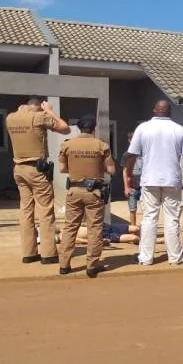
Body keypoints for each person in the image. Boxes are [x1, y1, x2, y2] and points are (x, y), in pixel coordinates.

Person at [124, 100, 183, 266]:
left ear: (154, 110)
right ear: (170, 112)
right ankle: (175, 257)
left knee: (149, 218)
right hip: (172, 180)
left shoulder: (143, 128)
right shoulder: (179, 129)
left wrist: (128, 174)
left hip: (150, 180)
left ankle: (145, 258)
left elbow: (131, 154)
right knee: (172, 219)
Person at [5, 95, 70, 264]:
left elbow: (20, 112)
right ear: (38, 107)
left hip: (19, 168)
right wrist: (49, 111)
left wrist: (26, 109)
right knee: (45, 210)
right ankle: (48, 253)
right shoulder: (39, 116)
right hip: (37, 169)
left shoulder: (10, 118)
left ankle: (29, 253)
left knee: (26, 211)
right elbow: (65, 128)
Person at [56, 114, 115, 278]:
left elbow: (62, 169)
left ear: (79, 128)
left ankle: (64, 265)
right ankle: (92, 265)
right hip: (94, 192)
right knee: (94, 228)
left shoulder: (67, 145)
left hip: (74, 190)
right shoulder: (101, 146)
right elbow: (111, 170)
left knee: (70, 227)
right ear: (94, 128)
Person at [123, 129, 143, 225]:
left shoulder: (144, 152)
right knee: (132, 209)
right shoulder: (127, 155)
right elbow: (125, 171)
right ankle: (133, 230)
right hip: (132, 186)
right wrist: (126, 187)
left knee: (147, 209)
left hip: (144, 185)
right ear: (129, 140)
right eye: (132, 139)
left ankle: (145, 231)